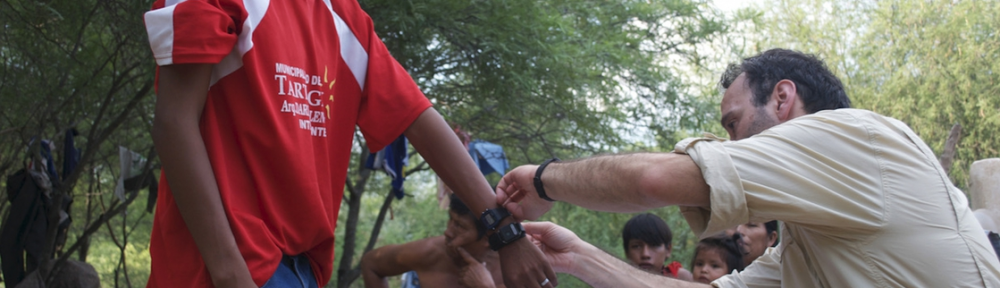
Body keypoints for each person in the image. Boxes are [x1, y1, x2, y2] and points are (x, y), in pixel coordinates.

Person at [497, 48, 1000, 287]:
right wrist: (579, 257)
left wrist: (544, 179)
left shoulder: (853, 137)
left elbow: (654, 180)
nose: (730, 143)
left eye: (733, 125)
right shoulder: (808, 239)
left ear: (783, 98)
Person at [141, 0, 551, 287]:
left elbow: (419, 119)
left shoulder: (344, 16)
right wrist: (231, 275)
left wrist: (506, 233)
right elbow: (173, 123)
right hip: (222, 268)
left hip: (304, 267)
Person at [361, 194, 505, 288]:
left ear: (487, 237)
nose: (447, 232)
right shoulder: (429, 252)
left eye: (459, 226)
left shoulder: (514, 268)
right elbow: (371, 263)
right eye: (450, 218)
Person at [621, 213, 692, 280]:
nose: (645, 254)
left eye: (654, 245)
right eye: (636, 246)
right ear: (626, 251)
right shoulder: (617, 280)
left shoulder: (680, 278)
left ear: (668, 250)